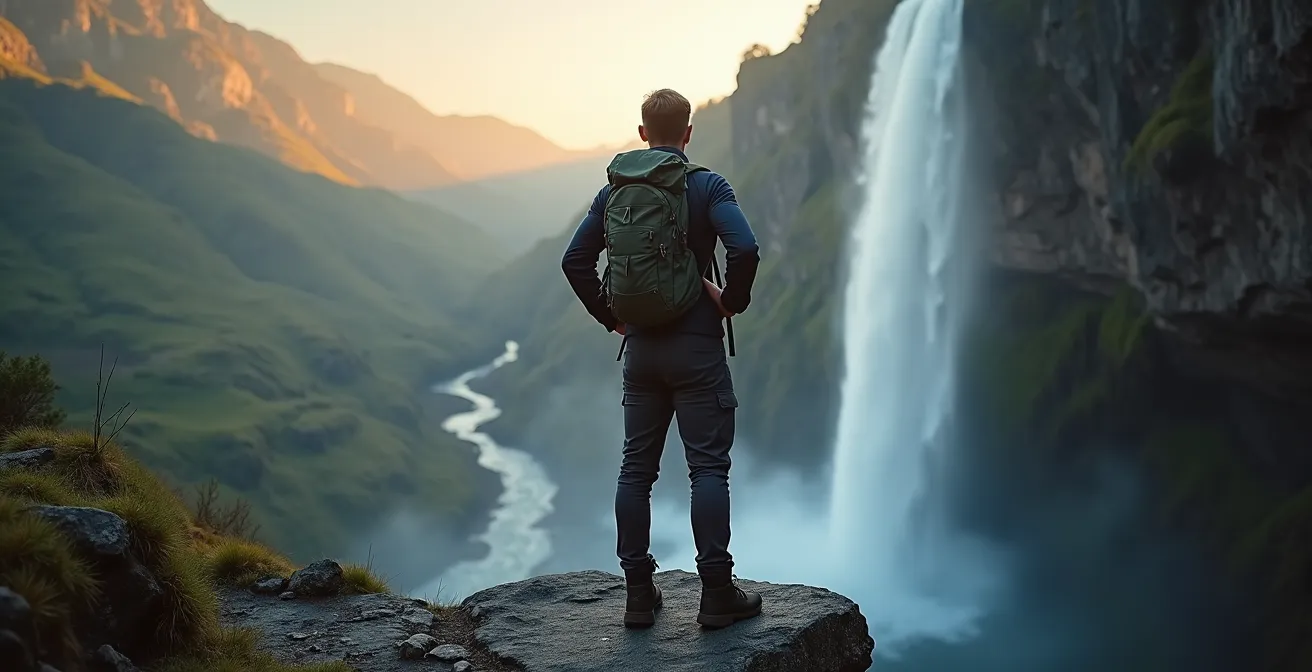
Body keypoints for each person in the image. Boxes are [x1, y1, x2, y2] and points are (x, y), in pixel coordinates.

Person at [560, 88, 763, 630]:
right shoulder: (706, 185)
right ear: (689, 134)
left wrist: (614, 319)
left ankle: (637, 594)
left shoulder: (614, 193)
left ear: (644, 132)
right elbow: (744, 249)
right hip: (698, 349)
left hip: (642, 352)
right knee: (707, 470)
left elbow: (575, 259)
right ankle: (717, 593)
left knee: (636, 471)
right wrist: (729, 304)